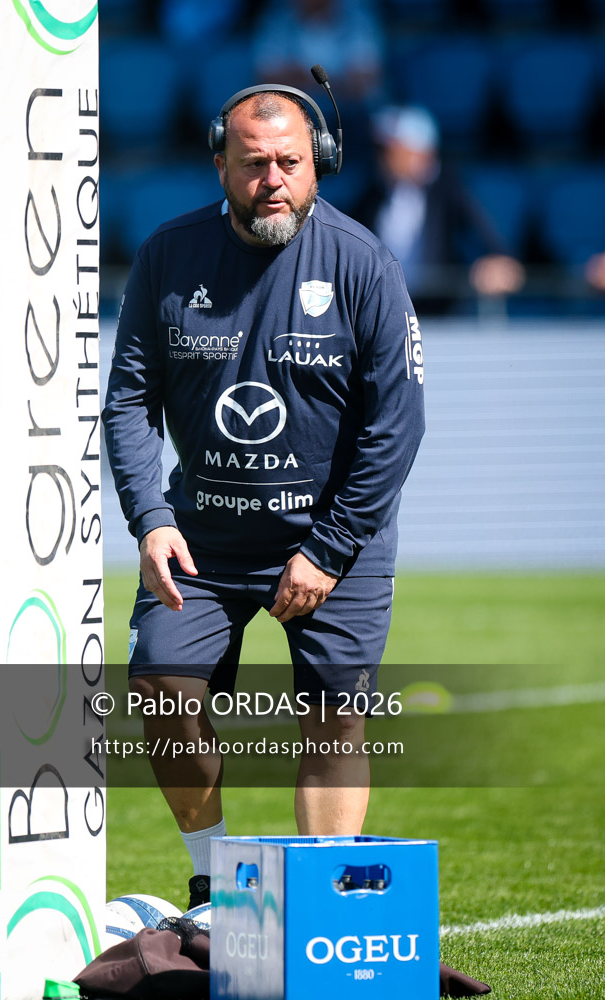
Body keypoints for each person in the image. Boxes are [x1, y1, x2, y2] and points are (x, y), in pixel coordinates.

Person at [102, 77, 425, 909]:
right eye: (254, 163)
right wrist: (151, 519)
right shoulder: (169, 256)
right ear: (221, 166)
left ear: (320, 163)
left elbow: (397, 426)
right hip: (201, 541)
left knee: (334, 717)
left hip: (334, 544)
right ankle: (212, 884)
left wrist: (328, 548)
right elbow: (129, 400)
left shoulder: (364, 264)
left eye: (290, 161)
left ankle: (320, 903)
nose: (272, 179)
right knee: (162, 691)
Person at [352, 105, 526, 314]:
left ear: (421, 152)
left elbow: (491, 244)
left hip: (438, 312)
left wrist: (494, 264)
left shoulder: (450, 190)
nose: (382, 157)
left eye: (391, 150)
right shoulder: (371, 195)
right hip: (383, 310)